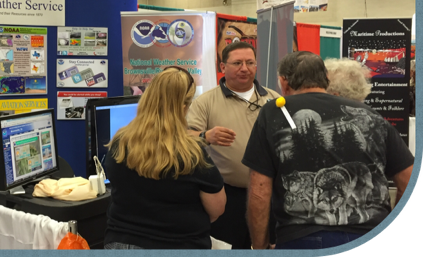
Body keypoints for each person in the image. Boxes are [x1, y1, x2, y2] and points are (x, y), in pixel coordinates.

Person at [243, 51, 414, 250]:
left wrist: (259, 246)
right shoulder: (370, 115)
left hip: (302, 236)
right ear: (325, 78)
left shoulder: (273, 112)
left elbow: (260, 190)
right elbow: (409, 179)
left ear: (283, 82)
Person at [104, 66, 226, 249]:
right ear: (183, 107)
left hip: (121, 243)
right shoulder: (192, 153)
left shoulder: (119, 142)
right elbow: (216, 210)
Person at [186, 41, 280, 249]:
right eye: (237, 63)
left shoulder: (274, 100)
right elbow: (183, 138)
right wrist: (205, 135)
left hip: (269, 195)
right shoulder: (205, 102)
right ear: (222, 67)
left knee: (269, 247)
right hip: (227, 196)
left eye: (249, 62)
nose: (244, 68)